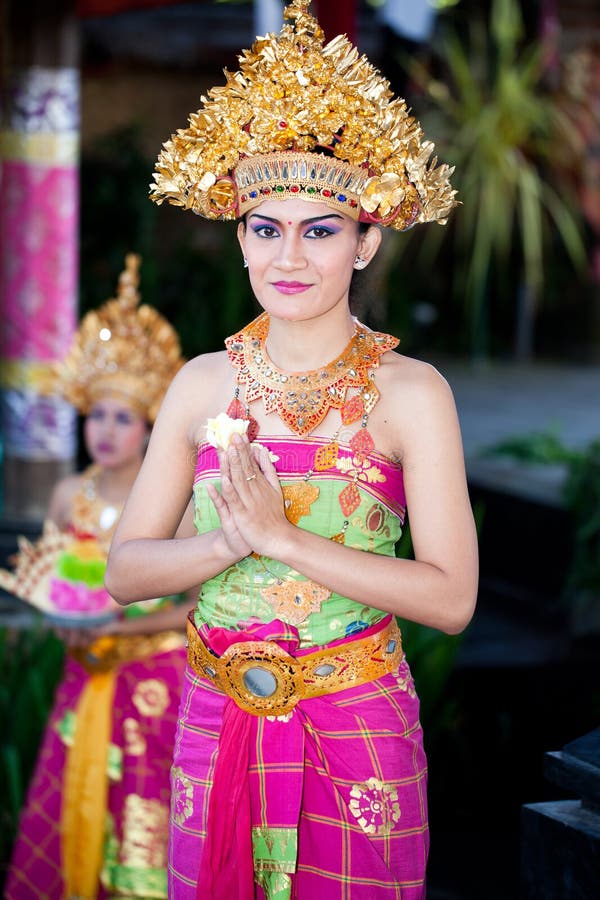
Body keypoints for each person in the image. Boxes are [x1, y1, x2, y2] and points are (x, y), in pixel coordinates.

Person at [106, 3, 479, 898]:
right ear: (240, 239)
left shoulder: (412, 394)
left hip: (354, 722)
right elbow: (125, 572)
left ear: (366, 241)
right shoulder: (200, 385)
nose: (291, 256)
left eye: (320, 230)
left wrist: (283, 539)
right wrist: (229, 541)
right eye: (266, 228)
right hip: (215, 710)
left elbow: (454, 599)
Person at [3, 255, 189, 900]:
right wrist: (69, 623)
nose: (106, 432)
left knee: (146, 828)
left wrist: (122, 624)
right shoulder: (67, 496)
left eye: (123, 418)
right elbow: (57, 585)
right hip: (85, 676)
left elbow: (198, 609)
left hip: (158, 685)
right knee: (72, 816)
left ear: (148, 425)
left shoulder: (176, 500)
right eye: (97, 416)